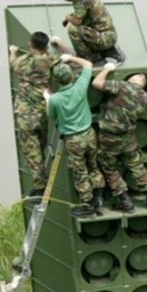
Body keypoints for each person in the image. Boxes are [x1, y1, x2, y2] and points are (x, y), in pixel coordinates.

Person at [45, 54, 106, 217]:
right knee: (93, 165)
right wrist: (70, 57)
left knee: (80, 171)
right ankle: (99, 199)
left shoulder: (55, 99)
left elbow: (52, 116)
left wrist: (47, 99)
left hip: (73, 140)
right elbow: (88, 64)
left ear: (57, 80)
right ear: (71, 76)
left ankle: (88, 203)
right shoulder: (80, 86)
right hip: (90, 134)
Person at [91, 65, 147, 212]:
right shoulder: (146, 98)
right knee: (136, 165)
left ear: (142, 80)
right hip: (128, 137)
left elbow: (96, 83)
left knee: (107, 166)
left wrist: (106, 69)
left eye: (139, 75)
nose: (134, 75)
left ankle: (125, 200)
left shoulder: (123, 86)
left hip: (110, 137)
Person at [7, 31, 58, 198]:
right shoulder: (49, 60)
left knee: (31, 151)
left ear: (30, 44)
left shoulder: (25, 62)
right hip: (41, 111)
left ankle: (40, 185)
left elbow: (13, 64)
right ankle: (42, 176)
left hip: (25, 114)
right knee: (40, 146)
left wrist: (13, 52)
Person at [50, 0, 124, 64]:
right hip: (106, 34)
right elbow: (82, 13)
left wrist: (67, 17)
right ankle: (100, 52)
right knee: (77, 26)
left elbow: (77, 21)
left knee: (73, 29)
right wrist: (71, 17)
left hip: (105, 38)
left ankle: (86, 59)